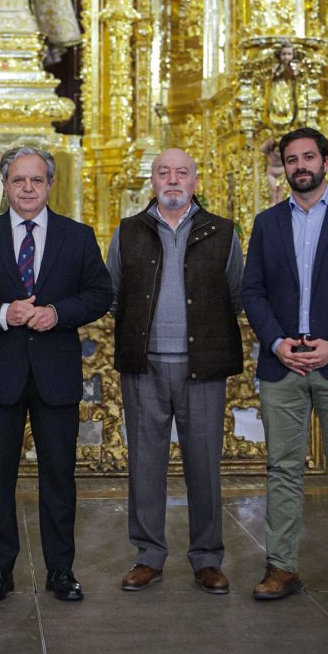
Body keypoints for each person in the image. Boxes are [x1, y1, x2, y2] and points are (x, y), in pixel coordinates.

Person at [0, 145, 112, 603]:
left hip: (55, 375)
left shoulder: (77, 237)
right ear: (4, 184)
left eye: (36, 180)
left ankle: (61, 570)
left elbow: (101, 293)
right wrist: (4, 312)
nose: (27, 188)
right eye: (18, 180)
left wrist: (57, 313)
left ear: (50, 184)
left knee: (59, 476)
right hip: (0, 375)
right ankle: (0, 570)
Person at [242, 127, 328, 608]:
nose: (300, 165)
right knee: (282, 469)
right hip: (282, 365)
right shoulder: (267, 223)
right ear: (283, 166)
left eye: (308, 157)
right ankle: (281, 567)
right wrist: (278, 342)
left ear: (325, 162)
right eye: (291, 159)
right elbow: (252, 292)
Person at [107, 149, 243, 595]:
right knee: (145, 463)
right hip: (144, 366)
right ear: (152, 181)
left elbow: (236, 294)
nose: (172, 179)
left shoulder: (222, 232)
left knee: (203, 463)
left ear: (195, 179)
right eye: (163, 172)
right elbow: (112, 294)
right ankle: (148, 556)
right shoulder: (128, 231)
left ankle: (207, 559)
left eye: (181, 172)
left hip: (201, 367)